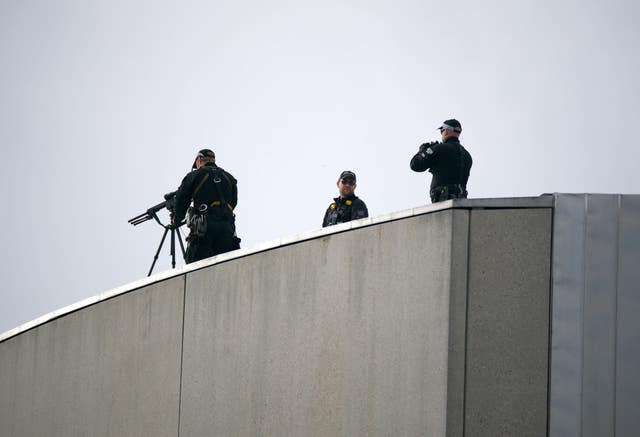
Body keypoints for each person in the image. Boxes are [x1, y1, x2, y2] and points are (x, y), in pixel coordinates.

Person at [171, 148, 239, 263]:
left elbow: (181, 199)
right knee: (226, 266)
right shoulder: (229, 178)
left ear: (199, 160)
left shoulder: (195, 175)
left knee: (195, 265)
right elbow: (233, 202)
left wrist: (176, 219)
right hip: (227, 228)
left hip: (204, 229)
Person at [410, 118, 472, 203]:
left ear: (446, 131)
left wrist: (423, 151)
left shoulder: (439, 149)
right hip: (461, 204)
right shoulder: (467, 156)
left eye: (441, 131)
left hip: (442, 203)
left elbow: (415, 165)